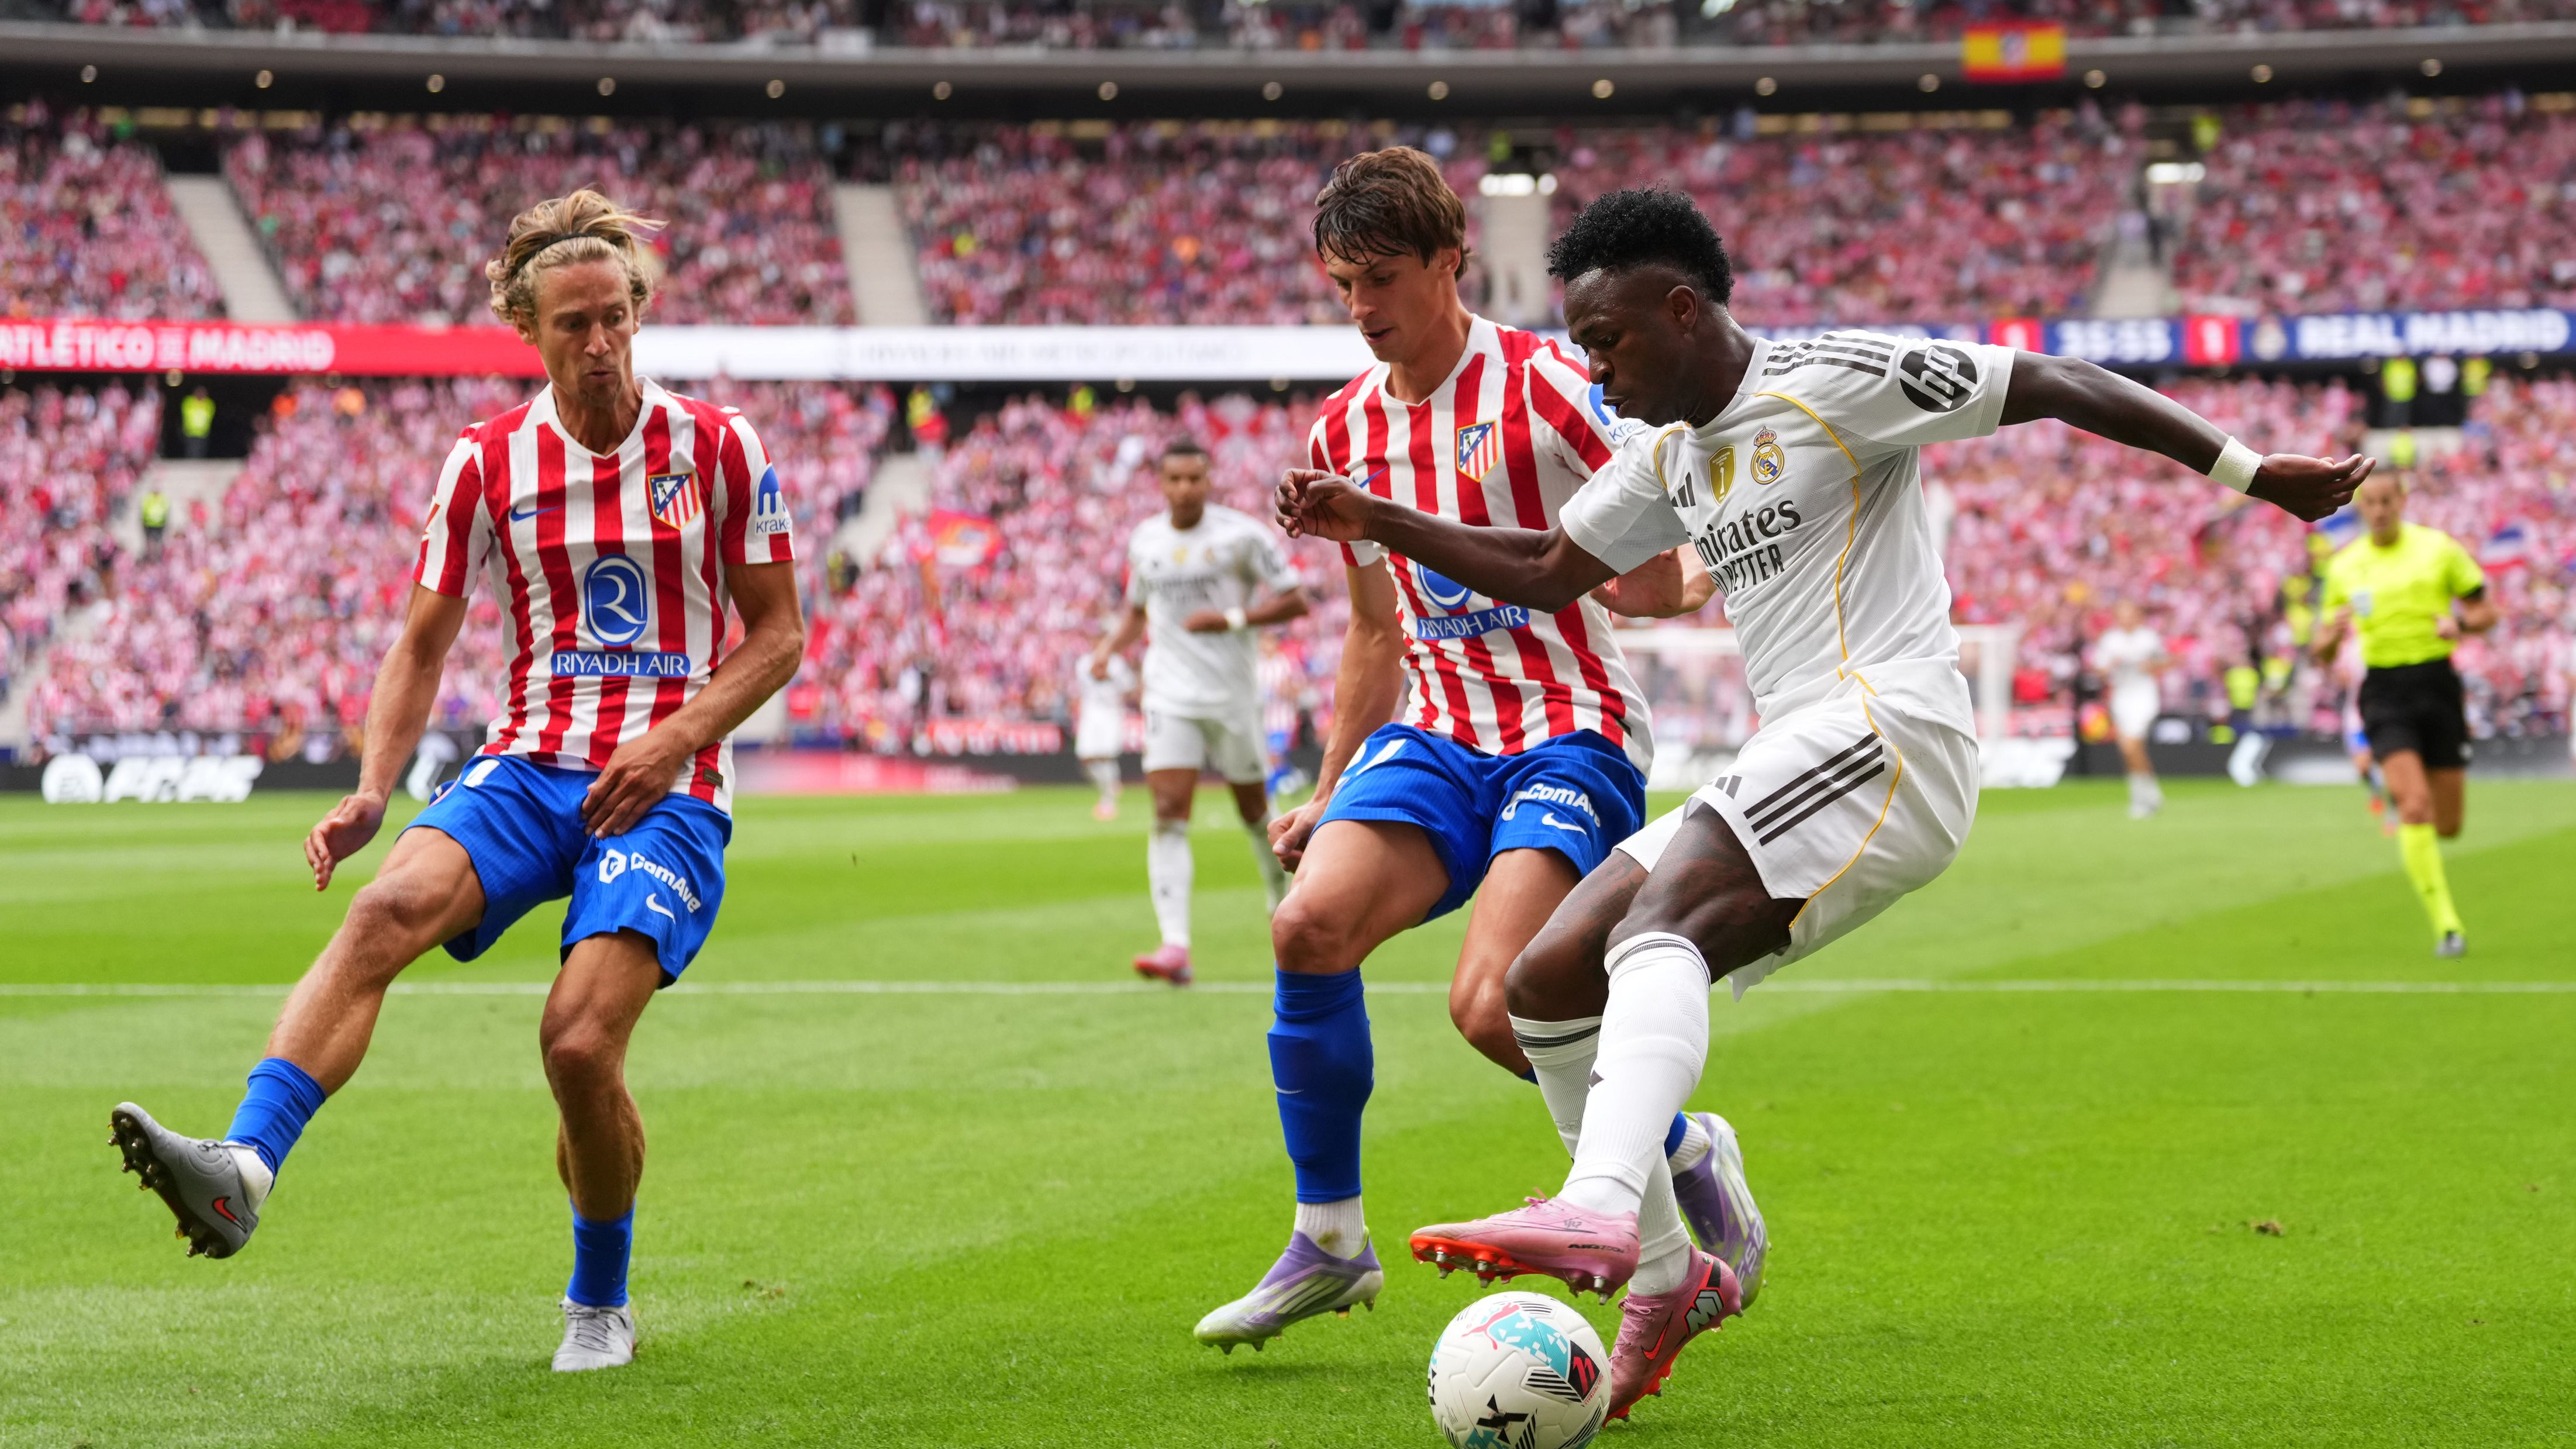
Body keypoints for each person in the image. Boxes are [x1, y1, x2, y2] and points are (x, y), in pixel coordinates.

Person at [1275, 188, 2368, 1418]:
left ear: (1682, 312)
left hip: (1888, 726)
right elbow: (1543, 568)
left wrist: (2246, 471)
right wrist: (1379, 520)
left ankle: (1597, 1200)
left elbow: (2054, 378)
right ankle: (1663, 1271)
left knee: (1654, 933)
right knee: (1546, 978)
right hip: (1796, 746)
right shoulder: (1667, 453)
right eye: (1582, 346)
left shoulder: (1835, 379)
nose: (1597, 369)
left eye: (1611, 342)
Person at [107, 189, 806, 1374]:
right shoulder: (487, 463)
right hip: (527, 767)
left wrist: (675, 734)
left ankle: (598, 1298)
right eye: (573, 323)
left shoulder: (720, 445)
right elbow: (422, 643)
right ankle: (245, 1171)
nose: (599, 344)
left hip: (667, 790)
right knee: (382, 911)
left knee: (580, 1046)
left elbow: (779, 634)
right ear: (528, 330)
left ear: (640, 314)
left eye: (617, 318)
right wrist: (377, 789)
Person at [1192, 152, 1751, 1357]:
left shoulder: (1556, 385)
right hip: (1436, 731)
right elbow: (1371, 626)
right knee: (1305, 927)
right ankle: (1331, 1241)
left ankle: (1686, 1149)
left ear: (1452, 259)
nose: (1359, 308)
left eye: (1381, 278)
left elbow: (1650, 580)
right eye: (1340, 283)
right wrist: (1333, 782)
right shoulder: (1342, 426)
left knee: (1494, 1007)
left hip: (1568, 725)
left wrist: (1695, 568)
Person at [1087, 439, 1309, 985]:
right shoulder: (1145, 540)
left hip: (1232, 695)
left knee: (1256, 813)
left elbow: (1295, 600)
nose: (1184, 488)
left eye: (1194, 479)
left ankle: (1282, 904)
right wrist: (1107, 650)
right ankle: (1174, 945)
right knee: (1166, 811)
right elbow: (1137, 611)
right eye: (1174, 480)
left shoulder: (1241, 536)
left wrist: (1231, 619)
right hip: (1168, 695)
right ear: (1160, 484)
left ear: (1209, 481)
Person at [2311, 474, 2494, 957]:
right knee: (2413, 806)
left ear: (2401, 501)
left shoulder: (2438, 549)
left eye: (2386, 500)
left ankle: (2418, 833)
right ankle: (2447, 927)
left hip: (2437, 685)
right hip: (2384, 691)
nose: (2378, 510)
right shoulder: (2345, 567)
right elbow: (2321, 650)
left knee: (2447, 823)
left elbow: (2485, 612)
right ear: (2359, 507)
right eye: (2369, 502)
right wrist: (2330, 640)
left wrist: (2460, 624)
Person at [2092, 600, 2168, 817]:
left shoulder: (2148, 638)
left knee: (2131, 746)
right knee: (2131, 750)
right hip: (2122, 698)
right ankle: (2150, 793)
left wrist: (2152, 666)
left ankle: (2140, 800)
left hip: (2144, 696)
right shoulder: (2110, 640)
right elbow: (2099, 672)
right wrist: (2111, 666)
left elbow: (2166, 661)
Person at [1075, 647, 1136, 821]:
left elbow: (1129, 687)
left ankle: (1108, 801)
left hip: (1111, 713)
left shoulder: (1118, 664)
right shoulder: (1083, 662)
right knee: (1086, 758)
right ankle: (1110, 787)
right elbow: (1091, 678)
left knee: (1106, 756)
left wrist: (1111, 677)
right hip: (1091, 714)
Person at [180, 385, 215, 460]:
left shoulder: (209, 403)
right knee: (191, 452)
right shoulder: (188, 402)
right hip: (190, 432)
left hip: (203, 433)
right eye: (199, 393)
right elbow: (186, 413)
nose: (200, 395)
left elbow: (210, 414)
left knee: (201, 452)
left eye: (202, 393)